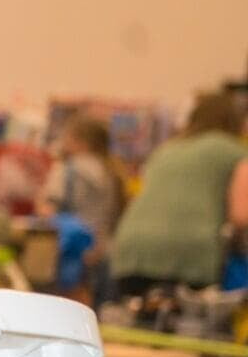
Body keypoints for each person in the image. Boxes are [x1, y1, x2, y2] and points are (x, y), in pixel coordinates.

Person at [110, 93, 248, 295]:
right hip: (191, 252)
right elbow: (241, 214)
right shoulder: (235, 150)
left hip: (131, 247)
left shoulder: (166, 150)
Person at [37, 114, 124, 304]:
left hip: (69, 252)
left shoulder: (66, 169)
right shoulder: (113, 173)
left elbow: (48, 209)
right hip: (103, 251)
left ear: (79, 142)